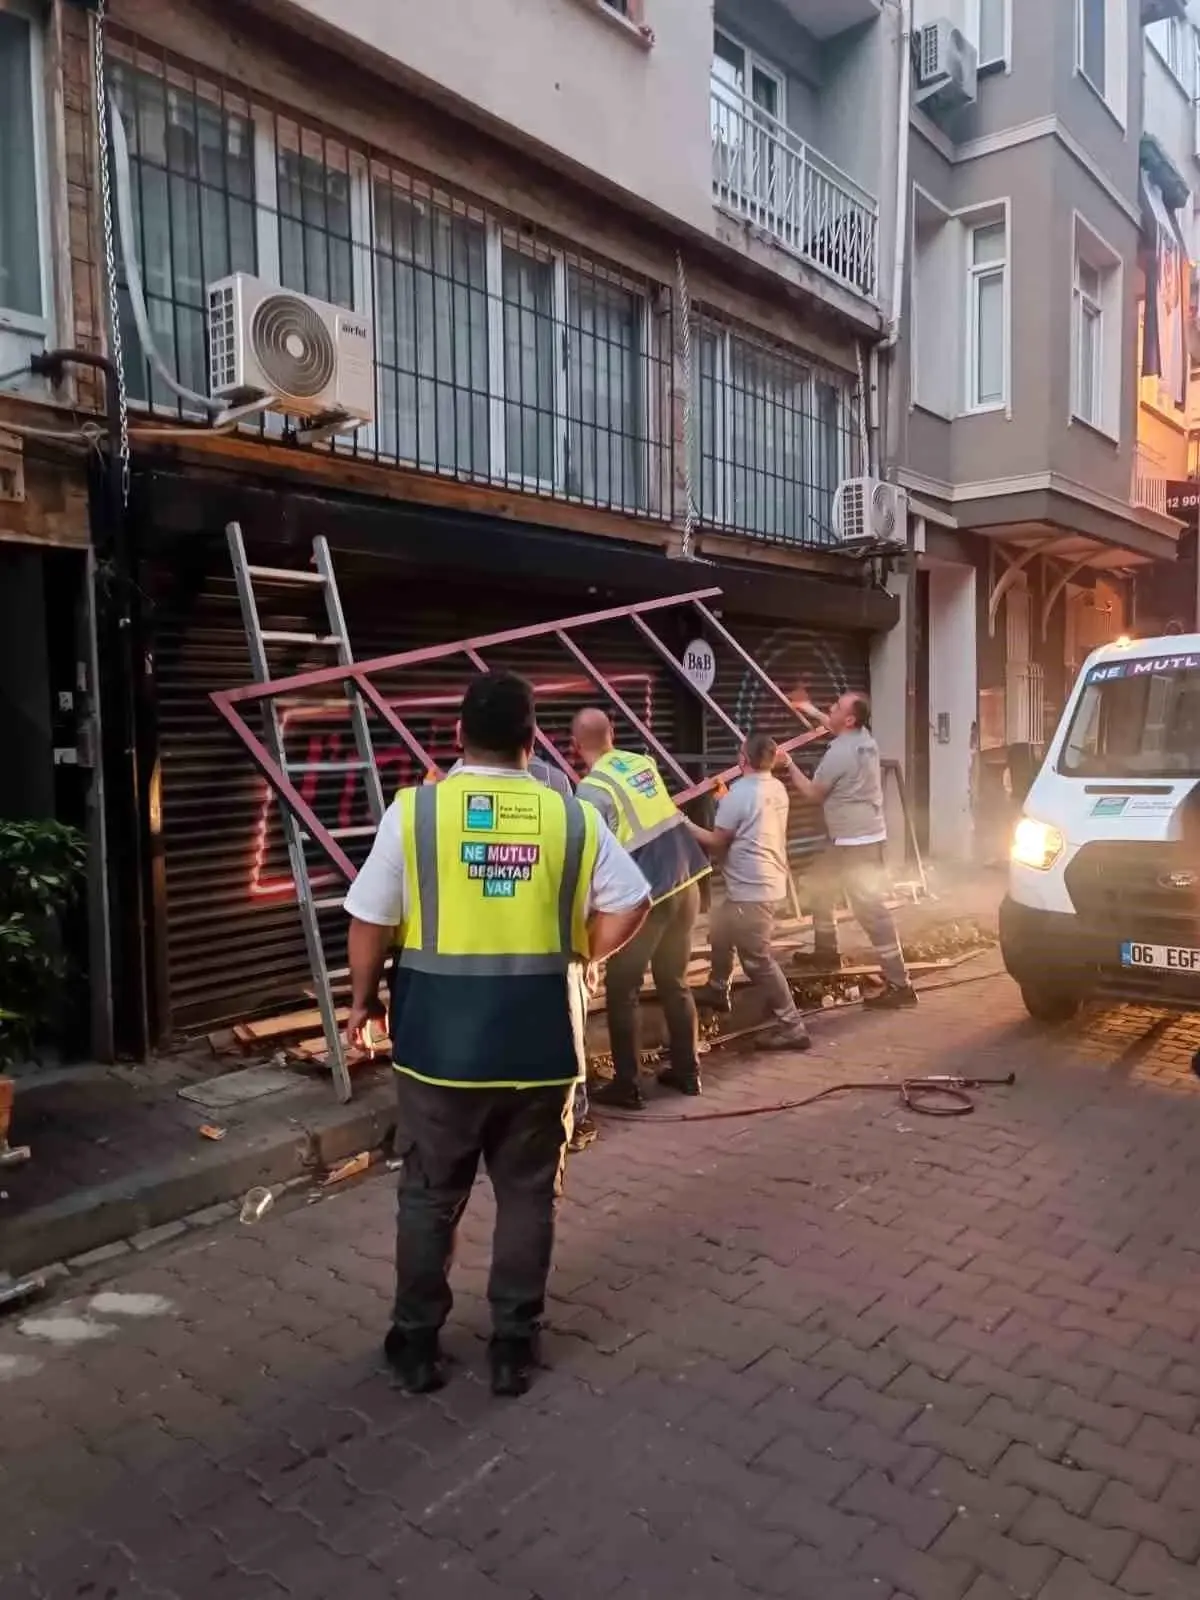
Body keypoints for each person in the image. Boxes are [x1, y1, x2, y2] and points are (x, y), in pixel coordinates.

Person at [344, 673, 649, 1398]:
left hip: (438, 1052)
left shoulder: (416, 813)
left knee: (428, 1196)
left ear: (457, 736)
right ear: (531, 739)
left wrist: (361, 1003)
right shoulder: (569, 816)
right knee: (527, 1196)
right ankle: (513, 1344)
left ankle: (416, 1344)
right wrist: (583, 957)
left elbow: (369, 920)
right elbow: (631, 900)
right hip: (540, 1047)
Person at [445, 733, 598, 1153]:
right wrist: (589, 951)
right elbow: (586, 876)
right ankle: (571, 1115)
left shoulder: (443, 790)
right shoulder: (556, 783)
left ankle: (488, 1119)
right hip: (549, 937)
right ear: (529, 738)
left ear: (464, 734)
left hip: (478, 939)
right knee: (566, 1025)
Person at [572, 708, 712, 1106]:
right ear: (611, 734)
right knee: (675, 981)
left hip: (647, 898)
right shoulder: (642, 762)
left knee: (622, 989)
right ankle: (688, 1073)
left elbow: (595, 859)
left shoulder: (589, 791)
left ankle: (627, 1085)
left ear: (574, 745)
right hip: (686, 883)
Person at [781, 690, 917, 1010]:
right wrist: (811, 709)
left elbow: (814, 793)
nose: (831, 709)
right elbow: (833, 725)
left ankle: (900, 984)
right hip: (853, 838)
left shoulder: (840, 753)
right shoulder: (863, 738)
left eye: (836, 707)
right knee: (819, 884)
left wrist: (788, 764)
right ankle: (826, 950)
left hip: (857, 844)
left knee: (870, 911)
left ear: (850, 718)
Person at [688, 732, 811, 1049]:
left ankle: (792, 1026)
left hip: (751, 888)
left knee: (757, 959)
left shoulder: (740, 795)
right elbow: (750, 817)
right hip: (766, 882)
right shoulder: (776, 788)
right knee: (720, 926)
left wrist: (680, 823)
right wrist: (724, 801)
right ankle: (717, 988)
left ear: (743, 759)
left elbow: (717, 842)